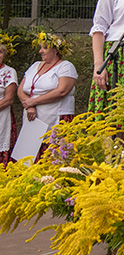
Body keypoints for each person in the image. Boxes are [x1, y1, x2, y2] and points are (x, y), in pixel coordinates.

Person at [17, 32, 78, 161]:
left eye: (45, 47)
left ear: (55, 50)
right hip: (32, 118)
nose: (40, 51)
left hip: (56, 116)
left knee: (54, 155)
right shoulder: (35, 66)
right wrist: (29, 106)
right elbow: (21, 90)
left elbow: (62, 91)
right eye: (40, 47)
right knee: (30, 155)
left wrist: (33, 102)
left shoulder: (66, 66)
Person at [0, 40, 18, 165]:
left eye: (0, 52)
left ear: (4, 55)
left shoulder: (9, 72)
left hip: (2, 116)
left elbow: (8, 99)